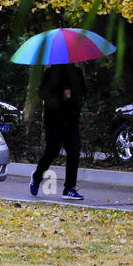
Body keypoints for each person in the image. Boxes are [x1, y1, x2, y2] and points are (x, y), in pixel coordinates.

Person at [30, 61, 87, 200]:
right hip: (54, 120)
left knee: (74, 152)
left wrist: (72, 97)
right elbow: (43, 93)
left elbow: (83, 94)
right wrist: (61, 95)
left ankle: (69, 188)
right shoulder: (51, 72)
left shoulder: (77, 73)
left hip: (71, 120)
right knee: (51, 152)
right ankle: (37, 176)